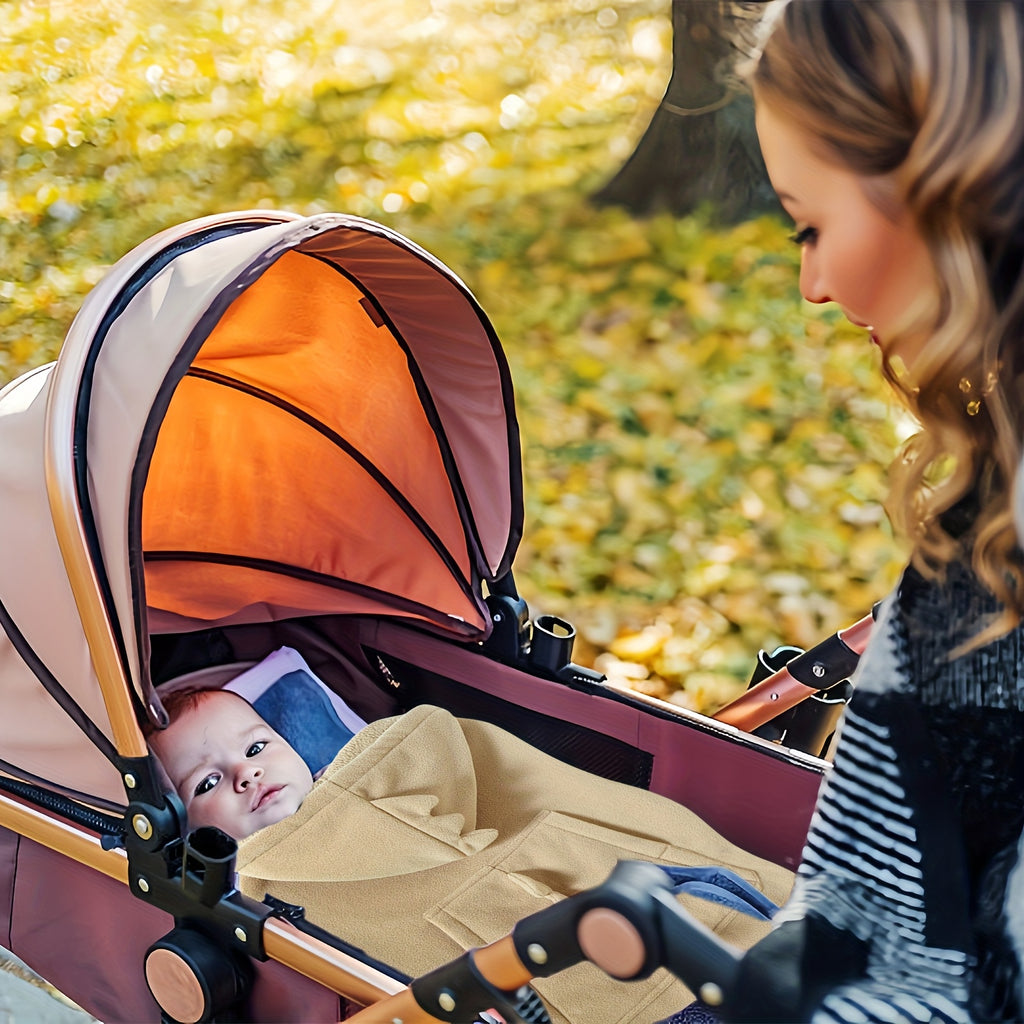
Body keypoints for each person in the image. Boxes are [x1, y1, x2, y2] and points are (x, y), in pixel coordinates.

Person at [714, 2, 1024, 1021]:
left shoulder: (978, 584)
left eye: (811, 224)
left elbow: (892, 961)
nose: (810, 284)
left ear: (936, 183)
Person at [148, 686, 794, 1024]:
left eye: (257, 747)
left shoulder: (382, 761)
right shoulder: (257, 883)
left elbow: (491, 769)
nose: (245, 775)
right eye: (205, 783)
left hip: (651, 910)